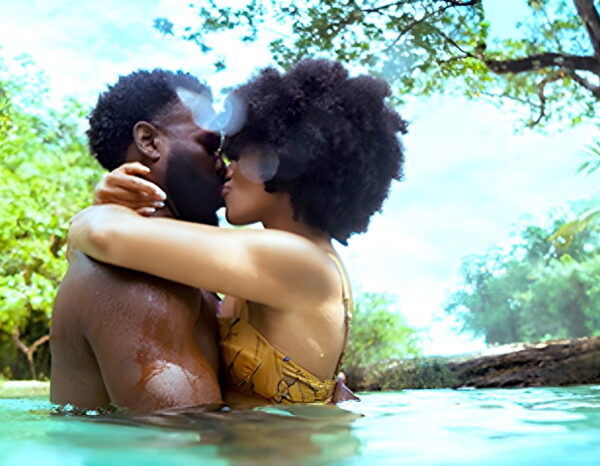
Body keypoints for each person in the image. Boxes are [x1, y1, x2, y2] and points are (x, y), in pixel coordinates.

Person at [69, 59, 408, 406]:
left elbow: (105, 238)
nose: (225, 169)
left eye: (238, 154)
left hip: (282, 458)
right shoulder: (281, 265)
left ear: (279, 159)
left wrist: (89, 215)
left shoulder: (297, 260)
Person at [51, 69, 225, 414]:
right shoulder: (139, 282)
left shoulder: (177, 269)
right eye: (209, 146)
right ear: (149, 141)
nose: (224, 164)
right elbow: (183, 453)